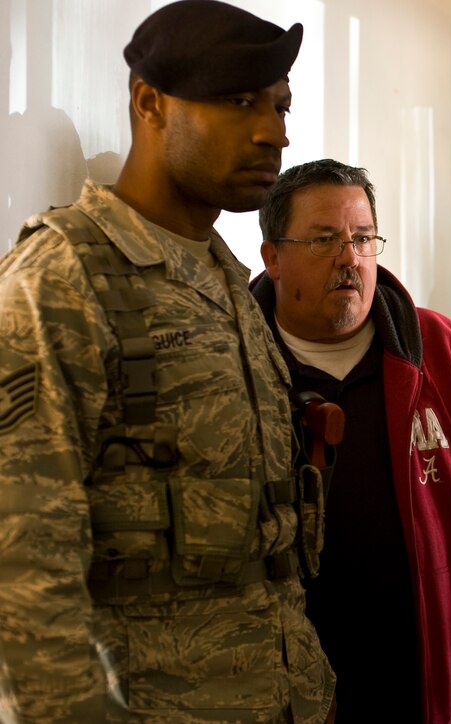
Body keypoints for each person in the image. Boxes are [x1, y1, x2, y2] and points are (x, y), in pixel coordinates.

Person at [0, 2, 335, 721]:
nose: (273, 132)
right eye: (239, 101)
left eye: (280, 106)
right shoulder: (64, 278)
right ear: (150, 103)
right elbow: (24, 561)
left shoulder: (226, 278)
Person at [251, 159, 451, 724]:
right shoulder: (235, 367)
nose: (349, 258)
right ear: (273, 257)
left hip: (448, 695)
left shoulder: (447, 354)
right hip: (291, 698)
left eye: (363, 238)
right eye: (324, 240)